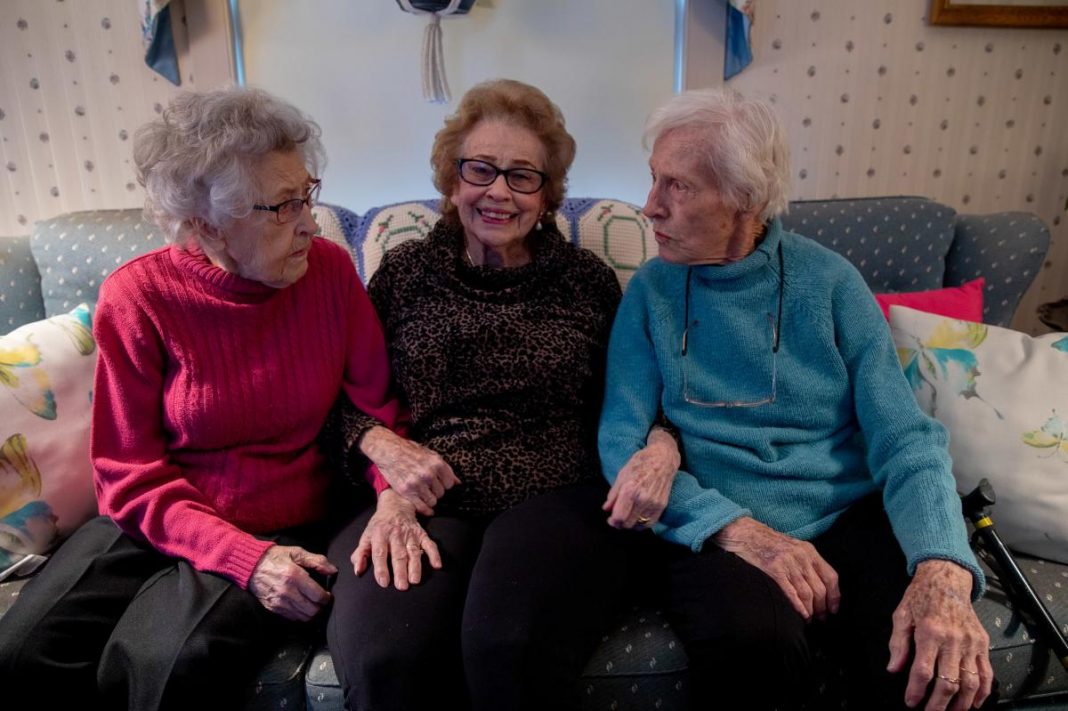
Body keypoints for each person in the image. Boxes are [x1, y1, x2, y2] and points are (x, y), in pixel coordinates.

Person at [0, 87, 404, 709]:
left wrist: (389, 503)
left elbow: (377, 409)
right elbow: (127, 474)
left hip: (281, 519)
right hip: (157, 512)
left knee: (162, 664)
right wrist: (234, 555)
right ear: (205, 222)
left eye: (308, 194)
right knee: (20, 654)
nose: (307, 222)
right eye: (281, 207)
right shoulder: (138, 297)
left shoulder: (329, 273)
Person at [598, 87, 994, 711]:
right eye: (653, 181)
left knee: (927, 655)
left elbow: (905, 437)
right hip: (721, 520)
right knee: (753, 642)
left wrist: (943, 561)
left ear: (745, 198)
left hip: (845, 510)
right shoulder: (650, 291)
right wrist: (735, 529)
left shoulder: (831, 281)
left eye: (678, 187)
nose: (650, 207)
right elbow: (621, 437)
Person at [325, 78, 678, 711]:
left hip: (559, 497)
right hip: (428, 500)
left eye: (523, 177)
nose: (498, 192)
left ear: (547, 196)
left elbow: (643, 392)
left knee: (506, 645)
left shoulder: (585, 282)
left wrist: (660, 446)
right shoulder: (403, 274)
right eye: (481, 170)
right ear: (451, 179)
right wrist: (384, 454)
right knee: (385, 655)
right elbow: (346, 397)